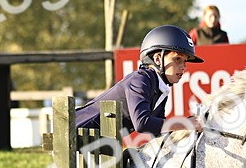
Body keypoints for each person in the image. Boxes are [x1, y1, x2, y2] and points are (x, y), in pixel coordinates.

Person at [74, 25, 204, 139]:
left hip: (96, 144)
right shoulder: (141, 79)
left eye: (185, 61)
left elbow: (159, 133)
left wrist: (188, 126)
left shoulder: (160, 88)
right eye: (178, 59)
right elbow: (142, 123)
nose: (183, 67)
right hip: (74, 134)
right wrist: (185, 124)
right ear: (158, 59)